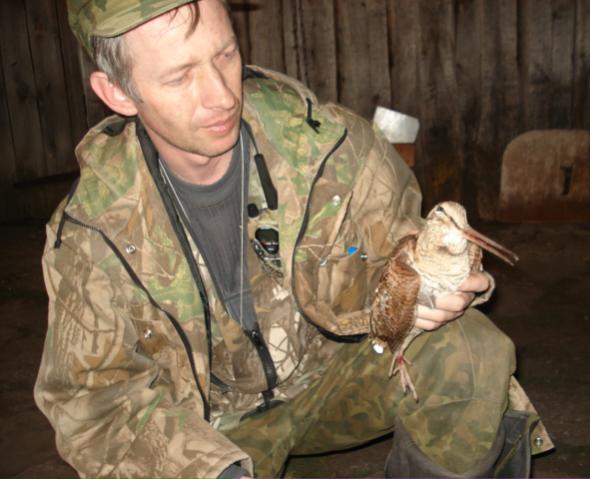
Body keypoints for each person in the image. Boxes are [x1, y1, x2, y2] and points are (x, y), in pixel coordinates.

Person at [34, 1, 551, 477]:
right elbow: (96, 403)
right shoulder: (92, 234)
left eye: (225, 54)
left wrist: (425, 285)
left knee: (472, 353)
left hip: (331, 376)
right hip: (209, 429)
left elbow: (389, 245)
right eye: (180, 76)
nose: (221, 96)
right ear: (118, 92)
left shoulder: (327, 144)